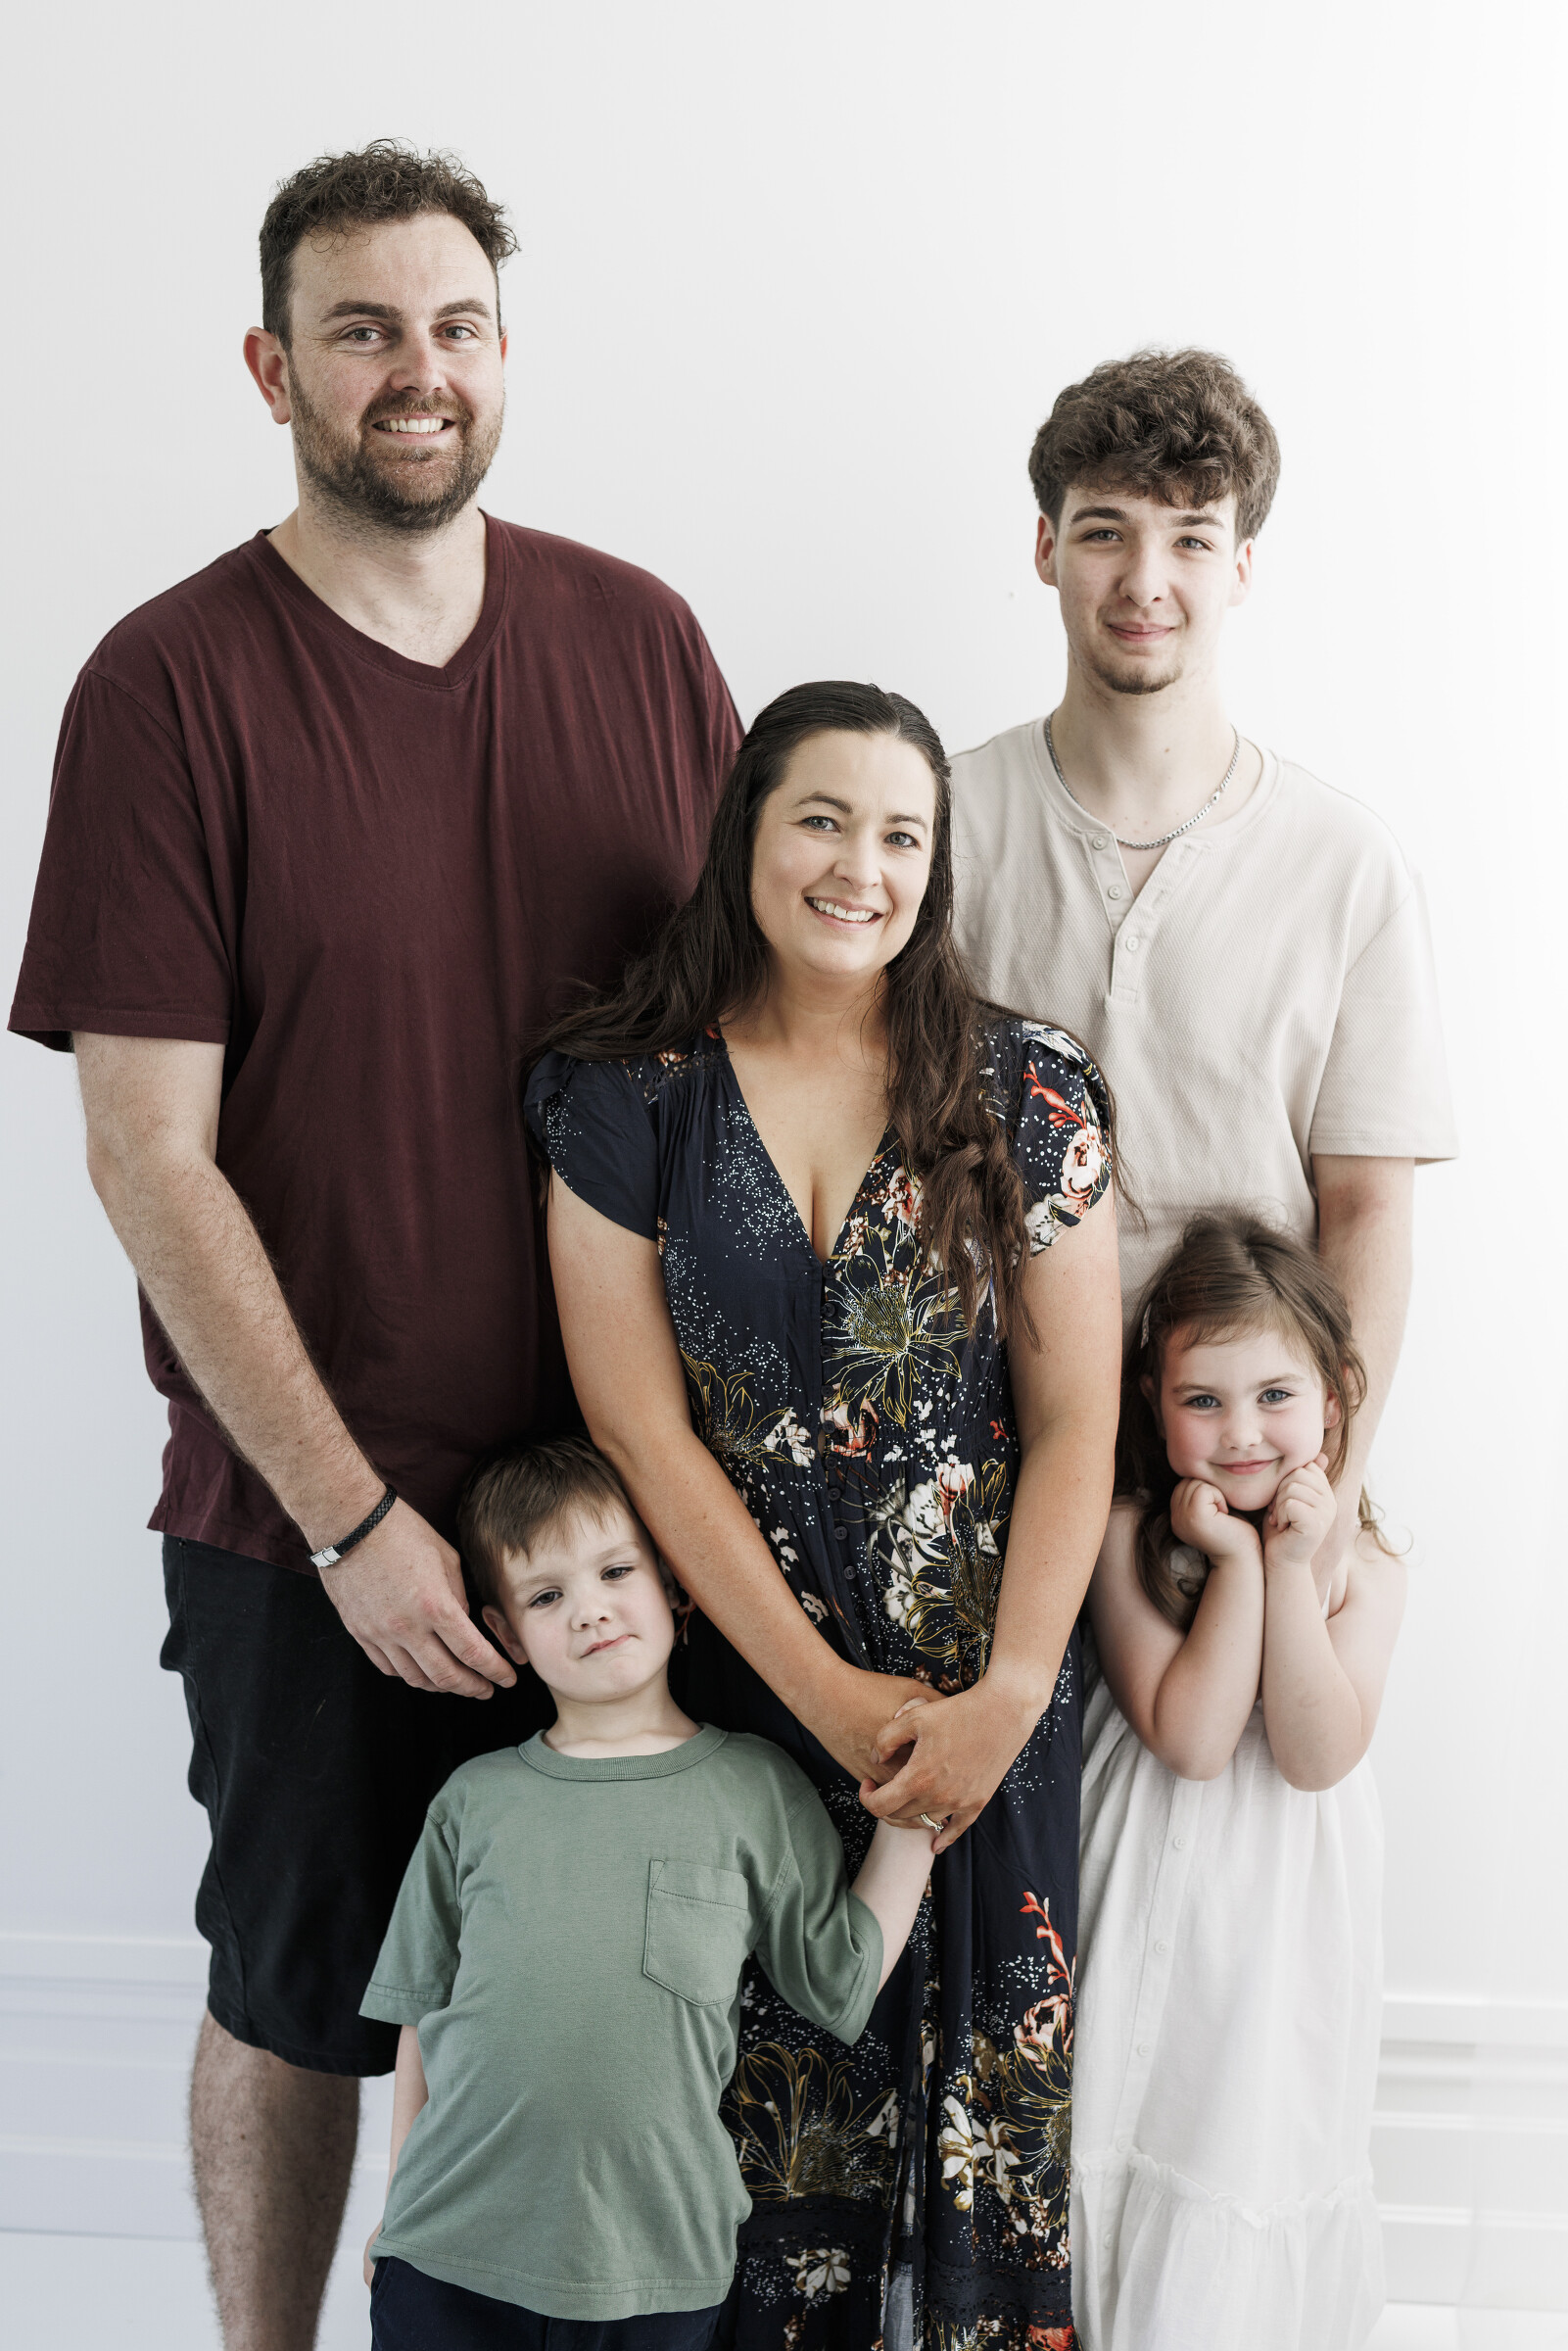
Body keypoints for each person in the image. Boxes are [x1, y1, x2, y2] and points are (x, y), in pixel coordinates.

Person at [7, 142, 739, 2349]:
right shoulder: (166, 687)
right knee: (299, 1994)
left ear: (505, 353)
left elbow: (756, 1046)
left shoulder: (640, 642)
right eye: (360, 332)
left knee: (590, 1994)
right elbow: (148, 1158)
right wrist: (348, 1522)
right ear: (272, 368)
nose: (417, 373)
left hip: (622, 1505)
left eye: (454, 327)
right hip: (311, 1519)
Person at [524, 681, 1123, 2350]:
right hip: (737, 1709)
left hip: (985, 1716)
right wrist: (827, 1698)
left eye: (903, 835)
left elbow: (1079, 1420)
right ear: (747, 835)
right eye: (824, 820)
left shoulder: (1029, 1087)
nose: (864, 867)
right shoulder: (621, 1095)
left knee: (985, 2146)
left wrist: (1007, 1696)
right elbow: (638, 1430)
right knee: (755, 2166)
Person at [949, 348, 1455, 1583]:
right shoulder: (934, 830)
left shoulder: (1346, 865)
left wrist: (1323, 1506)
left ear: (1239, 566)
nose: (1144, 581)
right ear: (1044, 548)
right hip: (984, 1474)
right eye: (1103, 532)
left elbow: (1367, 1208)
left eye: (1189, 538)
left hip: (1246, 1490)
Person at [359, 1434, 936, 2349]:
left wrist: (921, 1810)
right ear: (506, 1634)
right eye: (546, 1596)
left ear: (673, 1582)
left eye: (615, 1571)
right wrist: (396, 2208)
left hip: (659, 2270)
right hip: (446, 2260)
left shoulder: (752, 1787)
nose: (589, 1610)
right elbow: (420, 2015)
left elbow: (842, 1975)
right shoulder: (474, 1801)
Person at [1071, 1212, 1406, 2347]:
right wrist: (1228, 1563)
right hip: (1151, 1864)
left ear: (1333, 1398)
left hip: (1282, 1899)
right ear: (1151, 1402)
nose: (1241, 1432)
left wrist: (1291, 1561)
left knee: (1247, 2120)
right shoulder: (1124, 1532)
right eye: (1201, 1401)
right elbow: (1194, 1738)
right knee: (1136, 2092)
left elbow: (1312, 1754)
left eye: (1273, 1395)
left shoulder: (1364, 1569)